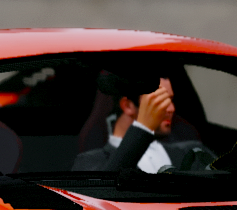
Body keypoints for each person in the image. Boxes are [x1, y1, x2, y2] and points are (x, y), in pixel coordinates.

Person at [72, 72, 216, 174]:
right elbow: (104, 192)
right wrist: (143, 128)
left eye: (170, 100)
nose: (171, 109)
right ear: (128, 106)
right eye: (159, 101)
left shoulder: (192, 151)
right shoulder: (89, 162)